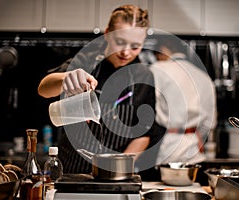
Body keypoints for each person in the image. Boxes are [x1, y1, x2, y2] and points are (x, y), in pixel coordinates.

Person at [37, 4, 160, 174]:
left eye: (135, 46)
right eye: (120, 42)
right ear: (107, 33)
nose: (126, 52)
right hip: (73, 171)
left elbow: (144, 132)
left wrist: (119, 167)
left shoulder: (143, 76)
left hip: (114, 175)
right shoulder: (86, 60)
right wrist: (66, 78)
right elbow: (43, 88)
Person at [150, 36, 217, 165]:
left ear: (162, 51)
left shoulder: (158, 68)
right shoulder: (203, 76)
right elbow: (210, 121)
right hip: (195, 151)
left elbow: (149, 107)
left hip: (166, 149)